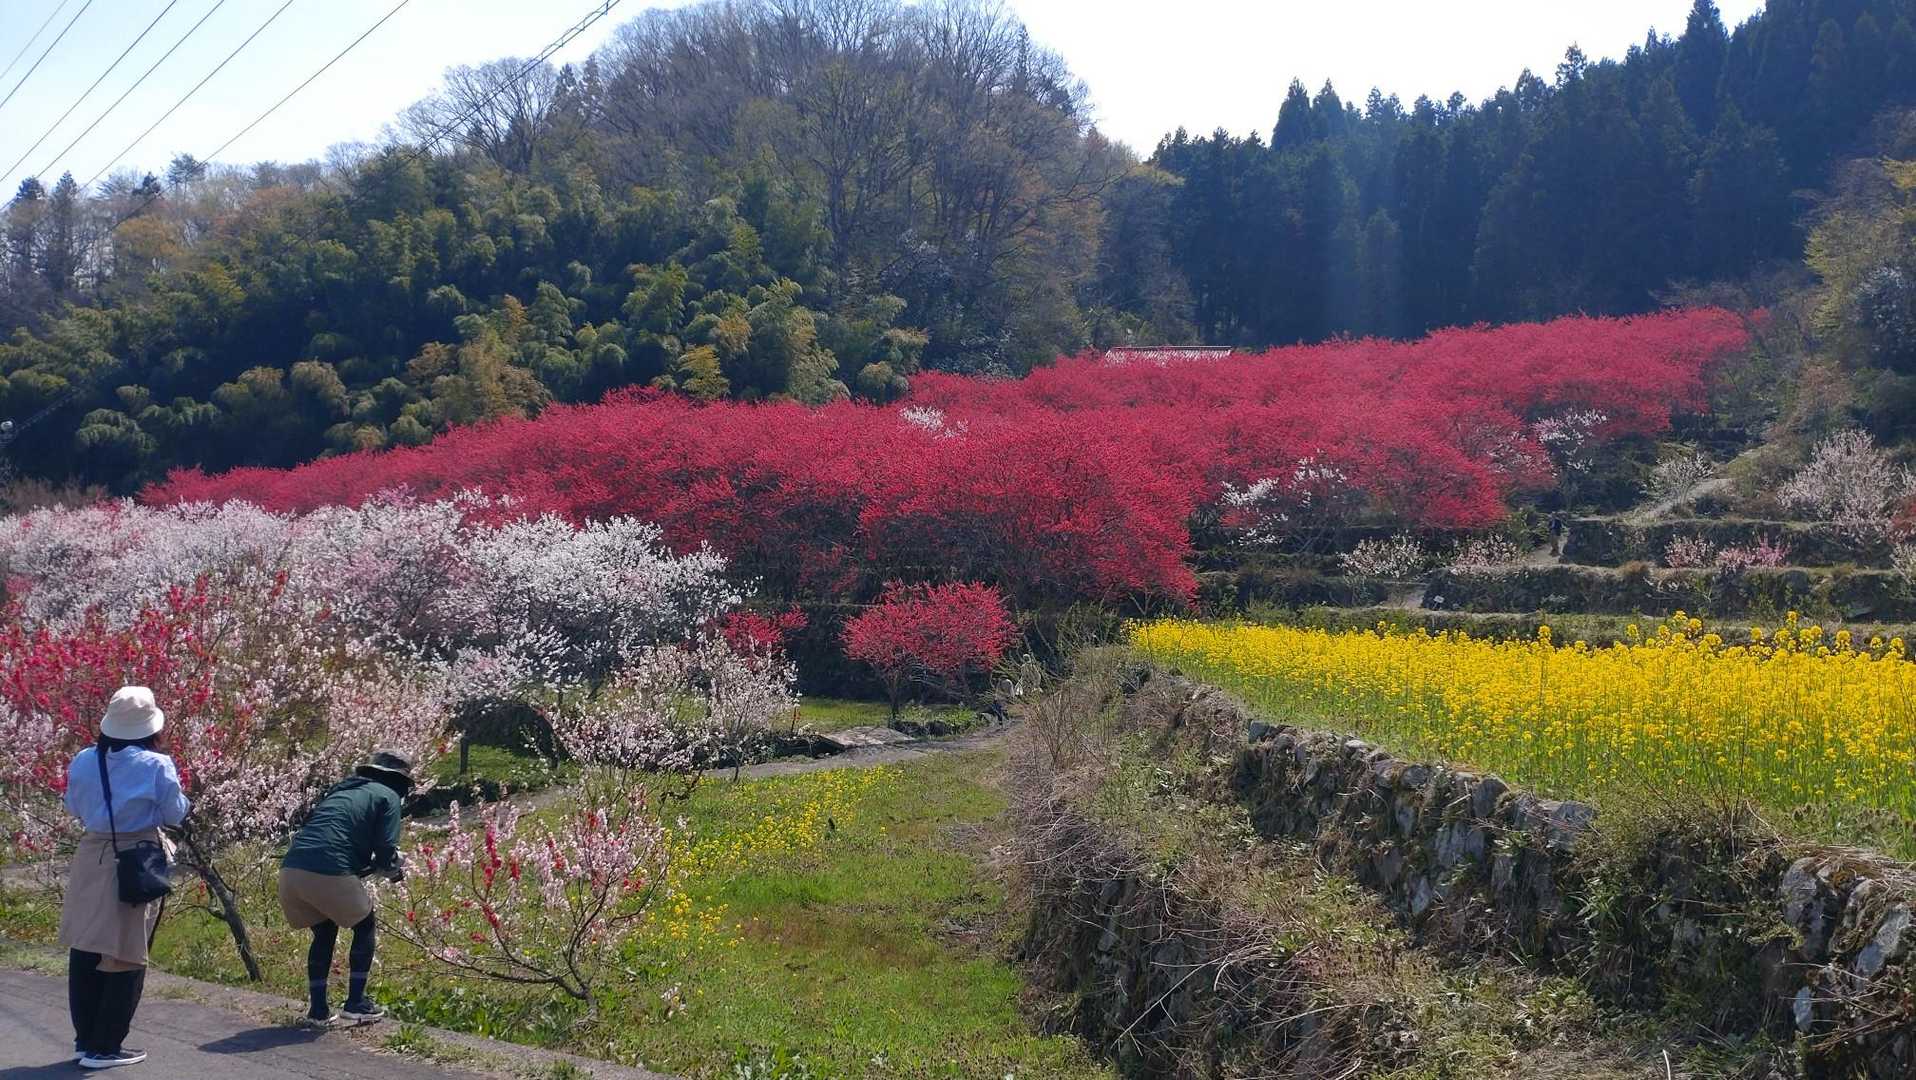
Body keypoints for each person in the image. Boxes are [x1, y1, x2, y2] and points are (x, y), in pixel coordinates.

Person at [60, 686, 190, 1070]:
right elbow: (175, 813)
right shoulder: (156, 765)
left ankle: (85, 1040)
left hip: (91, 855)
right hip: (135, 857)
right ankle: (106, 1047)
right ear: (150, 728)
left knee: (86, 945)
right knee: (126, 951)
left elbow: (73, 806)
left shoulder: (84, 759)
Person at [277, 750, 413, 1028]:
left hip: (291, 869)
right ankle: (356, 1004)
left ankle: (318, 1011)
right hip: (328, 867)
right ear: (399, 780)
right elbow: (386, 848)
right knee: (365, 925)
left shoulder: (340, 791)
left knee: (325, 931)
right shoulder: (387, 796)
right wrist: (393, 870)